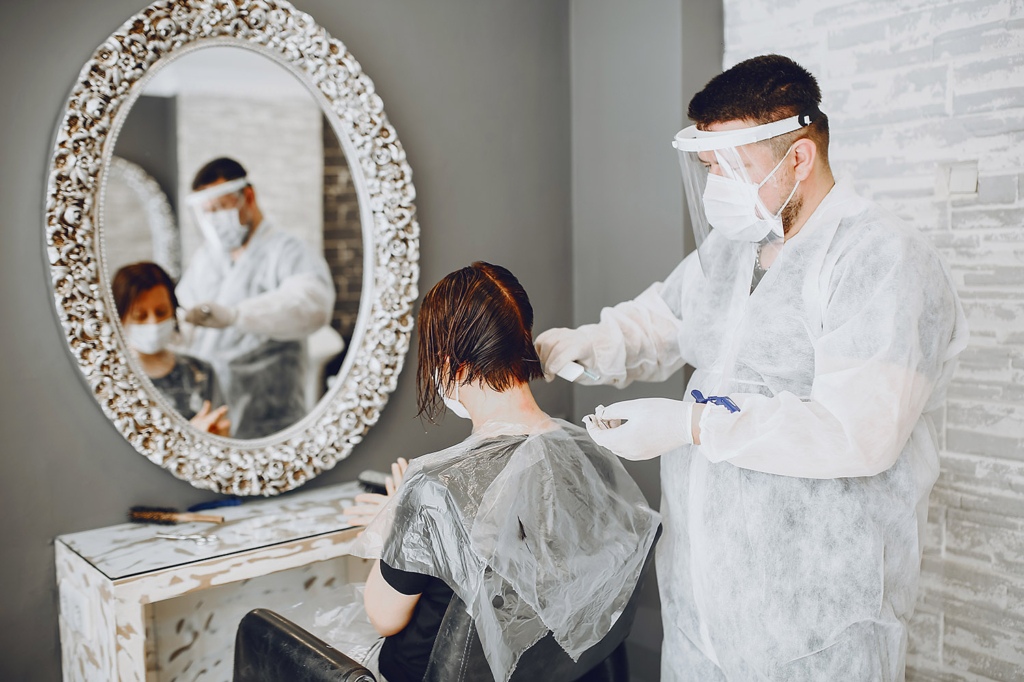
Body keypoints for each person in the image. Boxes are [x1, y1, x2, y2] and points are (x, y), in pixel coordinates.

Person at [535, 55, 968, 681]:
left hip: (820, 626)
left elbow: (858, 433)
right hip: (703, 614)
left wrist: (696, 427)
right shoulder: (735, 250)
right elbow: (661, 323)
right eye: (709, 167)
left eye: (731, 168)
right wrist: (580, 345)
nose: (717, 186)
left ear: (798, 158)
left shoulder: (881, 259)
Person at [342, 262, 660, 682]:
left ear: (450, 364)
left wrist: (393, 519)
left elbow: (383, 617)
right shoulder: (592, 454)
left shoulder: (433, 489)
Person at [176, 157, 335, 439]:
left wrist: (235, 316)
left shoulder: (287, 251)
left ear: (247, 196)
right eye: (207, 213)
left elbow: (313, 305)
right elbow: (185, 311)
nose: (214, 221)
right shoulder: (207, 259)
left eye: (220, 209)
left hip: (269, 418)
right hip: (210, 413)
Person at [113, 262, 230, 436]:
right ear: (119, 318)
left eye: (161, 312)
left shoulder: (201, 371)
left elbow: (221, 433)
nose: (153, 323)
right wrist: (189, 436)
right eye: (140, 316)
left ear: (174, 311)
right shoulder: (114, 379)